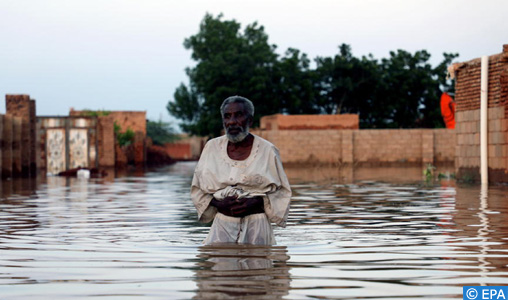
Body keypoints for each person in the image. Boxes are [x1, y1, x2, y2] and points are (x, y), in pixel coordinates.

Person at [191, 96, 291, 245]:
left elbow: (283, 192)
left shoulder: (268, 150)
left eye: (238, 115)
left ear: (250, 120)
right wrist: (218, 204)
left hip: (258, 227)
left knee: (260, 266)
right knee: (220, 264)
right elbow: (197, 189)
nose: (232, 121)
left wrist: (259, 202)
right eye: (227, 116)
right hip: (222, 225)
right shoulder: (211, 148)